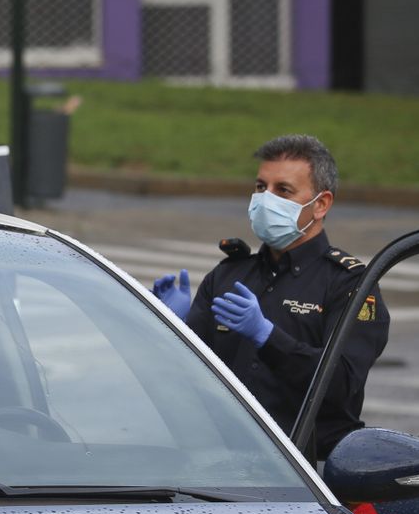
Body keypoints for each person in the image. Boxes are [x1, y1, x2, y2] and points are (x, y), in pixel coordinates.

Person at [151, 135, 389, 458]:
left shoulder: (348, 284)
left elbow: (342, 387)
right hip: (225, 464)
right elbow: (186, 381)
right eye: (261, 187)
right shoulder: (229, 274)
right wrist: (168, 329)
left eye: (283, 190)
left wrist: (268, 337)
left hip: (310, 474)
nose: (266, 199)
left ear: (320, 204)